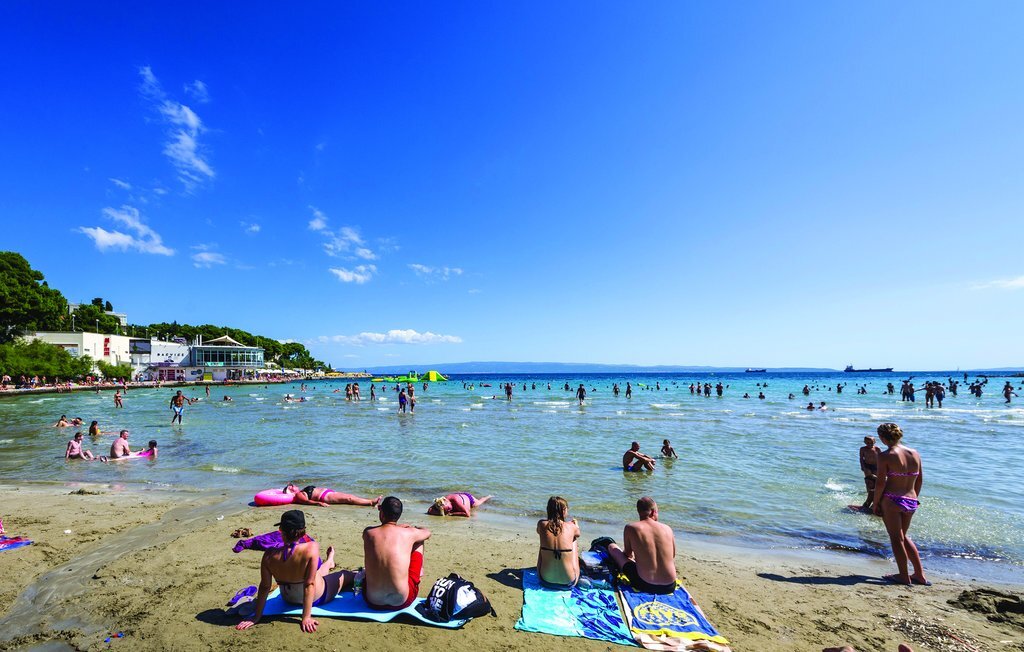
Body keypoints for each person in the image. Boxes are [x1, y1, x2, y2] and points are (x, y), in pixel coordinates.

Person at [236, 510, 349, 633]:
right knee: (345, 575)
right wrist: (306, 617)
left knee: (317, 573)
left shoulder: (269, 555)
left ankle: (330, 561)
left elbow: (264, 587)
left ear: (281, 531)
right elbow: (309, 584)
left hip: (288, 599)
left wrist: (256, 616)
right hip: (316, 597)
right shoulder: (312, 547)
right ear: (303, 531)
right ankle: (330, 561)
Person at [873, 423, 928, 586]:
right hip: (911, 499)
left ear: (882, 437)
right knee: (903, 536)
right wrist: (914, 498)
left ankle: (903, 576)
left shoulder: (885, 455)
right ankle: (919, 575)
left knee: (896, 539)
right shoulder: (915, 453)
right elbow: (919, 480)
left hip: (892, 499)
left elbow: (880, 483)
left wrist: (875, 503)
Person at [363, 496, 431, 610]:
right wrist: (414, 528)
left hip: (372, 601)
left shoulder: (368, 533)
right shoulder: (409, 534)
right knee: (419, 540)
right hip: (402, 601)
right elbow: (427, 533)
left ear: (382, 513)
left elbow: (386, 532)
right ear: (399, 515)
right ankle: (419, 571)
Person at [604, 497, 677, 594]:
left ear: (639, 511)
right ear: (653, 512)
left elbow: (627, 554)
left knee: (612, 547)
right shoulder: (667, 528)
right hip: (670, 586)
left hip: (644, 584)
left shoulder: (631, 527)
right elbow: (672, 555)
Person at [536, 496, 581, 588]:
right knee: (573, 539)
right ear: (564, 510)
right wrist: (576, 525)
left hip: (545, 580)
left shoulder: (541, 524)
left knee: (543, 541)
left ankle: (543, 569)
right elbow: (578, 534)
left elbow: (538, 531)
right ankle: (571, 570)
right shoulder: (571, 527)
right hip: (569, 582)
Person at [283, 483, 382, 507]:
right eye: (291, 486)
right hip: (325, 497)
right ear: (291, 491)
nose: (293, 485)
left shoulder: (301, 491)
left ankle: (369, 501)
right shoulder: (298, 495)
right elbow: (306, 501)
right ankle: (371, 502)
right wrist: (319, 503)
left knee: (350, 496)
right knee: (349, 498)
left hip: (327, 493)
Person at [858, 436, 881, 511]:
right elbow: (861, 458)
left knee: (876, 480)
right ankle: (869, 492)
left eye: (871, 442)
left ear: (875, 442)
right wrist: (862, 466)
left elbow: (881, 458)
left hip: (876, 466)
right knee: (868, 480)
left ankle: (875, 492)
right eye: (867, 442)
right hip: (867, 466)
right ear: (865, 442)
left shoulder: (877, 449)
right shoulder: (863, 449)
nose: (870, 444)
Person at [427, 492, 492, 516]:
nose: (448, 510)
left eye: (448, 508)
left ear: (447, 501)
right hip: (459, 495)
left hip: (469, 499)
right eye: (446, 510)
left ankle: (489, 496)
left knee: (478, 503)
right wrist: (441, 513)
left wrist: (452, 514)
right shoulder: (440, 502)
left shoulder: (456, 501)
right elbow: (429, 510)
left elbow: (468, 514)